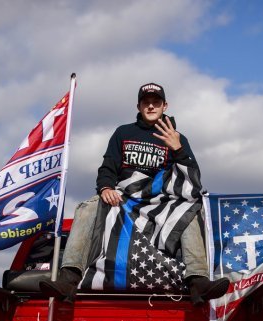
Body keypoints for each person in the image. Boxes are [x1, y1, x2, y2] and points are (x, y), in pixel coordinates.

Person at [41, 82, 229, 304]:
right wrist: (106, 188)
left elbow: (192, 180)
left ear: (164, 106)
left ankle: (198, 281)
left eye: (156, 102)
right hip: (125, 197)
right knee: (86, 206)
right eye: (146, 102)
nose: (151, 106)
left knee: (189, 211)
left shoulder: (177, 137)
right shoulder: (123, 132)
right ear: (139, 106)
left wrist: (178, 149)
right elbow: (108, 167)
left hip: (160, 201)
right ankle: (69, 279)